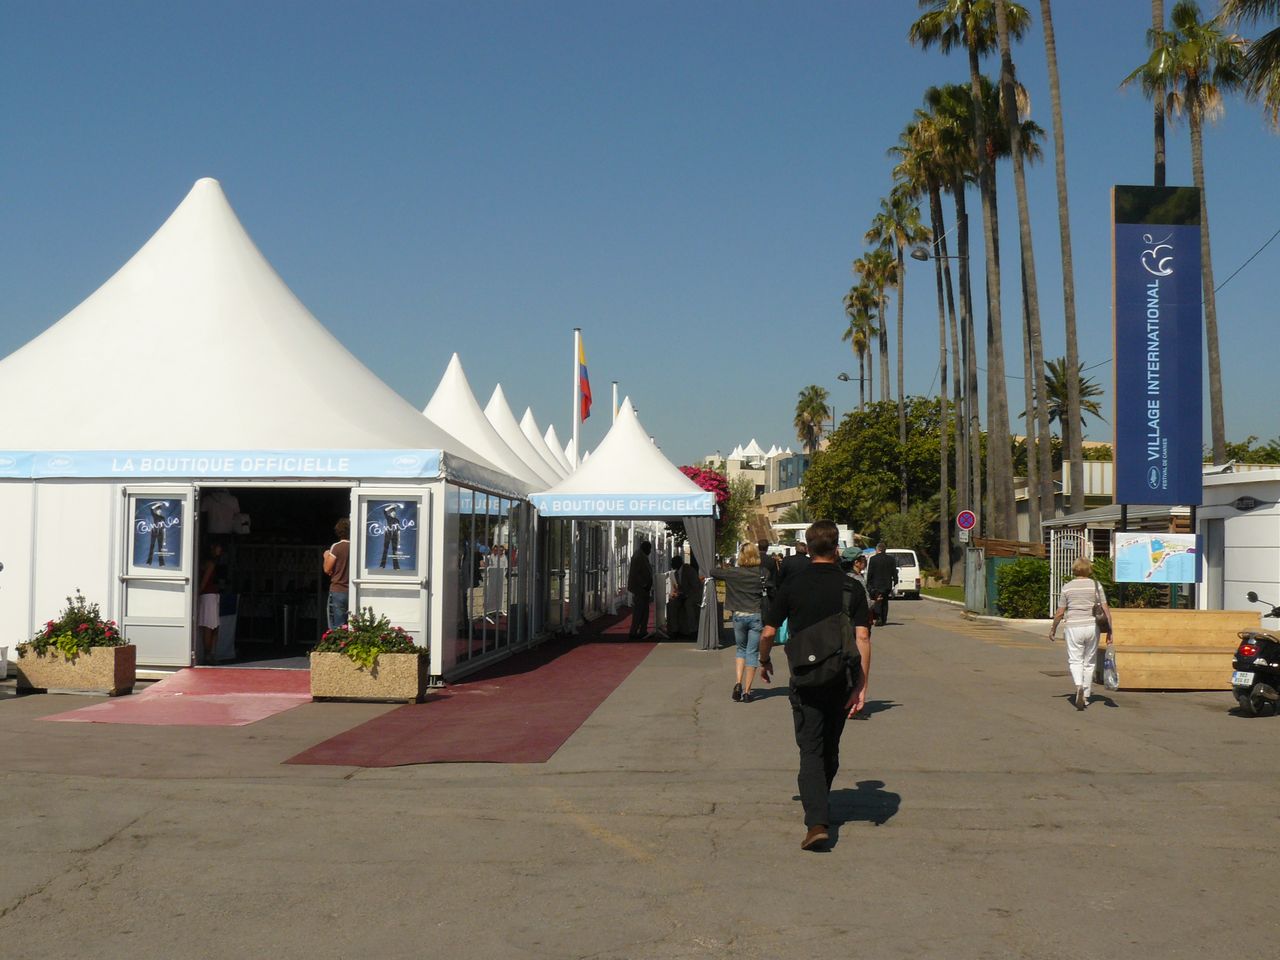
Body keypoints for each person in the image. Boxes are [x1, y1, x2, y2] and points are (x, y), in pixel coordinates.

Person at [761, 519, 872, 851]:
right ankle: (820, 803)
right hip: (841, 678)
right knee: (830, 746)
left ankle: (817, 822)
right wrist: (861, 685)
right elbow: (863, 637)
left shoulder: (792, 585)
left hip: (805, 678)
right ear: (837, 548)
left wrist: (764, 660)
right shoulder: (852, 587)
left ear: (808, 548)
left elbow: (769, 632)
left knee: (810, 748)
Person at [1049, 556, 1113, 710]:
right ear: (1089, 570)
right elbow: (1105, 610)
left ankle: (1078, 685)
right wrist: (1110, 631)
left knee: (1075, 659)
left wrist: (1053, 628)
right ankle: (1086, 694)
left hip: (1073, 627)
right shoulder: (1096, 586)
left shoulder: (1067, 587)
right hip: (1092, 627)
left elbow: (1060, 612)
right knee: (1089, 662)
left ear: (1074, 569)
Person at [709, 542, 769, 702]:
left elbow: (713, 572)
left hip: (738, 615)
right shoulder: (763, 573)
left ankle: (738, 683)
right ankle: (747, 691)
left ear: (740, 556)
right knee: (752, 653)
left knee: (740, 650)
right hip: (755, 614)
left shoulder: (732, 573)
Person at [197, 541, 223, 664]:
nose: (220, 550)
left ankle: (209, 654)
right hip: (209, 595)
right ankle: (209, 654)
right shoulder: (211, 564)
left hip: (207, 595)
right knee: (211, 626)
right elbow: (205, 581)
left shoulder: (203, 563)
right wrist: (199, 591)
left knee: (209, 625)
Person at [323, 518, 351, 630]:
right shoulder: (356, 547)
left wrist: (326, 556)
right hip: (353, 590)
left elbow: (327, 569)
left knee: (337, 626)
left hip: (338, 590)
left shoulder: (336, 547)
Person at [866, 542, 898, 627]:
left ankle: (879, 617)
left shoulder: (873, 559)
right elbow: (894, 572)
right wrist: (895, 582)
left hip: (876, 584)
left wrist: (868, 583)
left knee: (878, 601)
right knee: (885, 601)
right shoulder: (891, 559)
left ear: (878, 549)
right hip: (887, 584)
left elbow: (870, 573)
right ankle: (884, 618)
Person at [627, 540, 654, 639]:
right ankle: (634, 632)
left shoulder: (641, 555)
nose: (650, 551)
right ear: (645, 548)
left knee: (644, 610)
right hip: (640, 589)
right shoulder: (639, 556)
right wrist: (644, 585)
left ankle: (643, 630)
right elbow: (636, 573)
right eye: (649, 549)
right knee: (639, 611)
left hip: (643, 589)